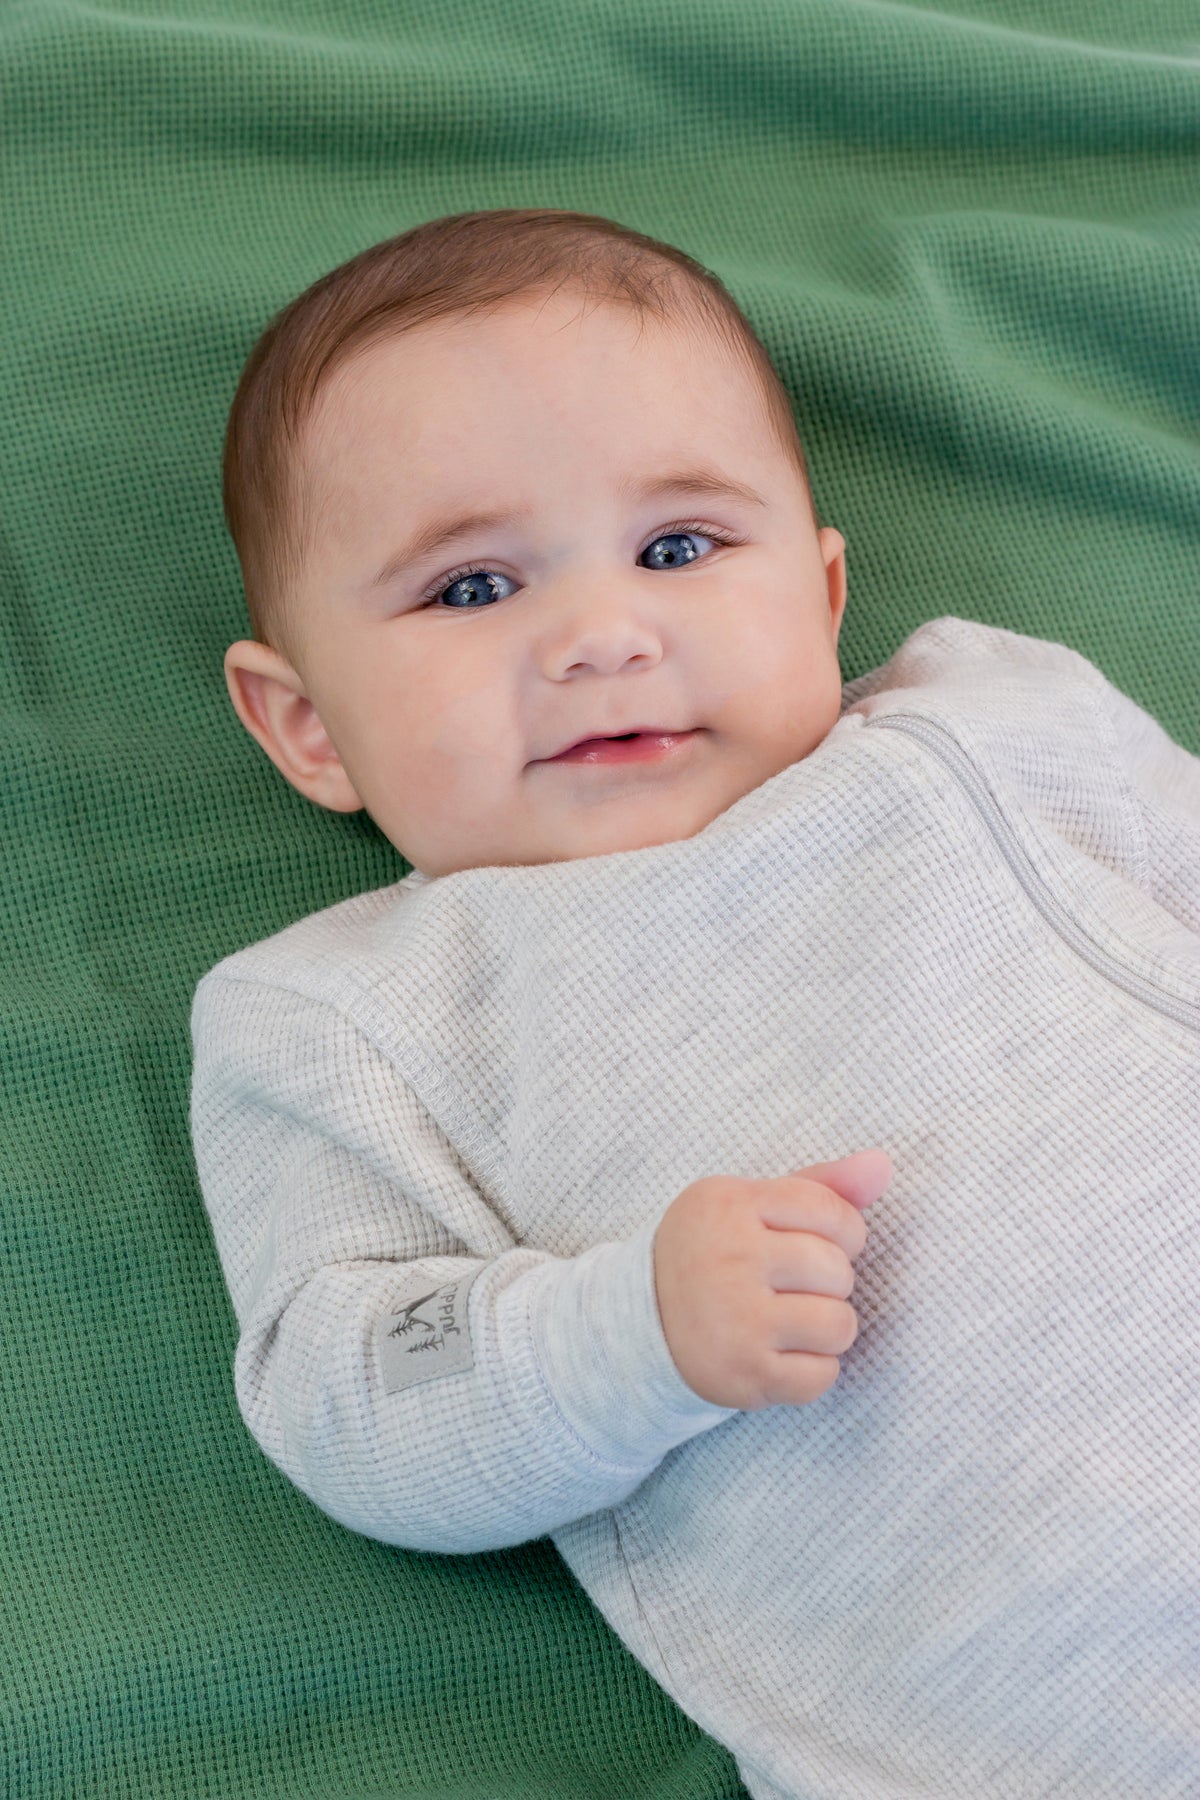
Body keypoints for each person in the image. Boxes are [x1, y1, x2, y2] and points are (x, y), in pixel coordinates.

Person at [191, 209, 1200, 1800]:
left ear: (822, 592)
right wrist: (630, 1332)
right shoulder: (346, 1016)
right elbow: (350, 1390)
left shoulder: (985, 724)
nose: (603, 637)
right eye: (471, 587)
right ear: (308, 724)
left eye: (678, 549)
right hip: (1014, 1708)